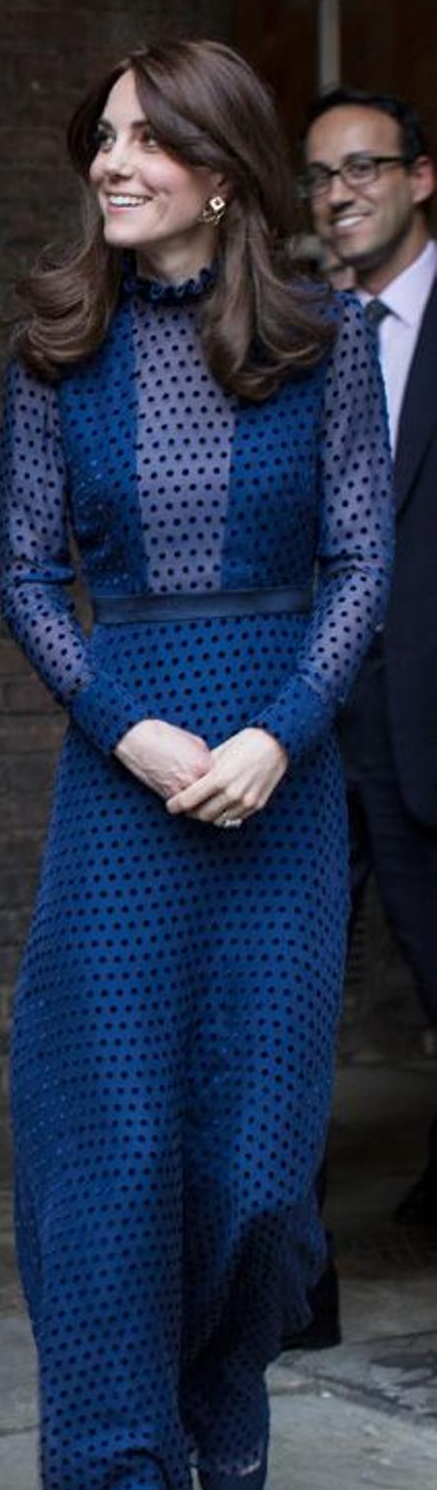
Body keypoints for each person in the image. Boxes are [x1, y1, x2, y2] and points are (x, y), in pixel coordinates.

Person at [0, 39, 392, 1490]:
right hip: (123, 787)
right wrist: (126, 722)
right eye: (101, 138)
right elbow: (22, 569)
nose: (110, 162)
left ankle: (223, 1371)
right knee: (107, 1161)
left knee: (250, 1170)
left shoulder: (329, 344)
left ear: (221, 172)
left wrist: (282, 728)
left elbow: (365, 557)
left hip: (279, 786)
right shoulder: (54, 347)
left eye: (146, 141)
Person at [301, 89, 437, 1239]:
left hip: (429, 711)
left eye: (364, 168)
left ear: (419, 178)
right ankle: (290, 1273)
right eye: (321, 176)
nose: (339, 193)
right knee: (288, 992)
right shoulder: (300, 329)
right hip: (308, 721)